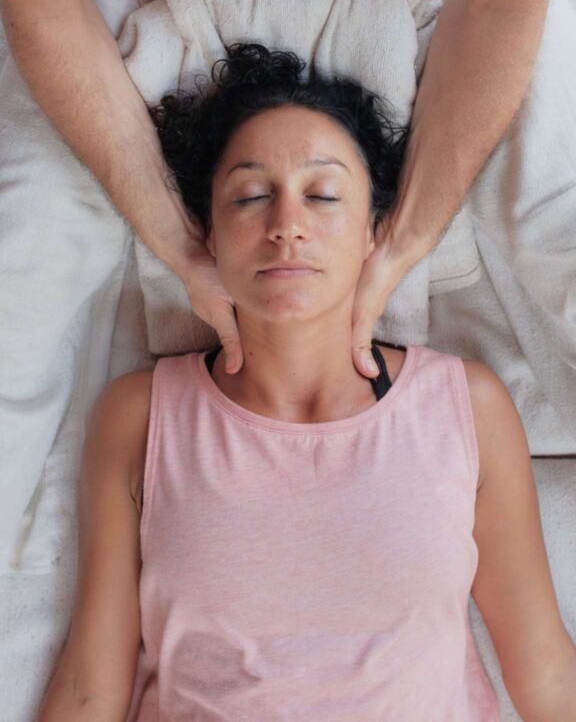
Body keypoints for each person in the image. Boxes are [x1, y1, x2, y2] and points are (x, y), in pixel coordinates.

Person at [1, 0, 576, 556]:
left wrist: (404, 243)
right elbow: (43, 10)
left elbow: (500, 2)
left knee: (552, 211)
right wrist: (171, 239)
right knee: (25, 260)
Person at [37, 45, 576, 721]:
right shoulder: (139, 416)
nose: (286, 225)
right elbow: (92, 685)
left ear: (377, 232)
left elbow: (548, 675)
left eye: (322, 195)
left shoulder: (468, 408)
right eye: (251, 195)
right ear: (207, 235)